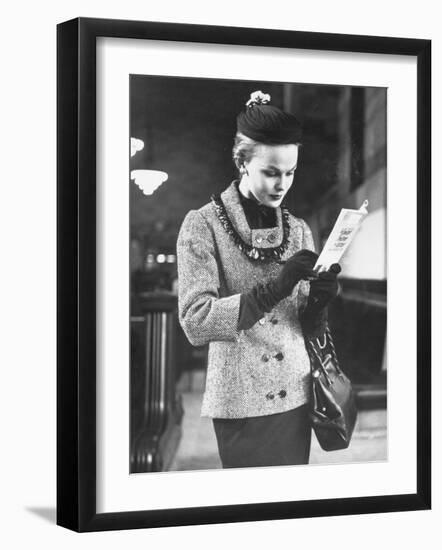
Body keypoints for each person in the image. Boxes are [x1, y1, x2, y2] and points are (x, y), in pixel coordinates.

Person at [176, 90, 340, 469]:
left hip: (295, 396)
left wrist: (320, 300)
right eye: (270, 171)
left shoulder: (298, 229)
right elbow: (195, 321)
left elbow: (306, 325)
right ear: (241, 162)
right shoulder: (202, 225)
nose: (282, 183)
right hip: (240, 400)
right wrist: (274, 288)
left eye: (290, 172)